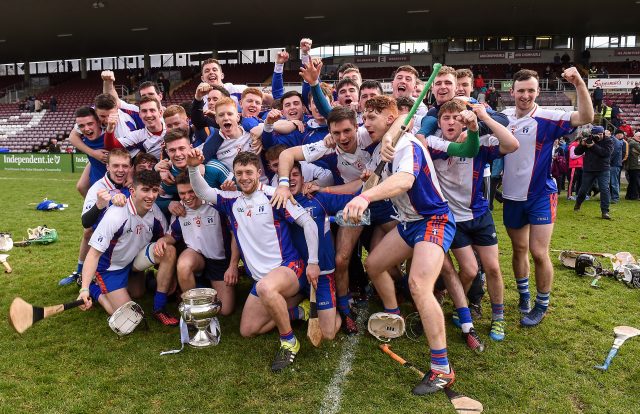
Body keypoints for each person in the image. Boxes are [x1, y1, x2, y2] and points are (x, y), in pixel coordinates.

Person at [341, 96, 479, 395]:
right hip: (409, 222)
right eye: (364, 118)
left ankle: (442, 368)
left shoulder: (407, 145)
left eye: (372, 118)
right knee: (374, 264)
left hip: (433, 220)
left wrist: (366, 196)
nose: (366, 124)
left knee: (418, 284)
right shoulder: (386, 147)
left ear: (390, 118)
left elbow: (404, 180)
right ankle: (394, 315)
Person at [187, 150, 320, 372]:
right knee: (247, 330)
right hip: (262, 280)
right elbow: (203, 190)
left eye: (249, 172)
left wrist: (313, 262)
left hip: (288, 268)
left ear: (258, 172)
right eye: (239, 173)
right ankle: (298, 310)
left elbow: (309, 224)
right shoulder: (230, 200)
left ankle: (289, 342)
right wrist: (192, 168)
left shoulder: (275, 195)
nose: (244, 177)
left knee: (266, 287)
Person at [502, 67, 593, 327]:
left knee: (538, 252)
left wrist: (577, 83)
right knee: (519, 249)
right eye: (521, 90)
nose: (526, 95)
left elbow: (587, 116)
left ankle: (541, 304)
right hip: (512, 196)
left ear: (538, 91)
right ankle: (524, 295)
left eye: (531, 90)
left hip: (541, 194)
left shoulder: (548, 117)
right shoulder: (504, 118)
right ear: (512, 92)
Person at [77, 170, 179, 326]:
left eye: (154, 190)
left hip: (133, 262)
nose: (151, 196)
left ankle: (159, 308)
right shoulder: (115, 215)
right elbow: (94, 254)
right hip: (109, 268)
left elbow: (166, 237)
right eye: (145, 190)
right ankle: (94, 289)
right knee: (129, 317)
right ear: (133, 191)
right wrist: (84, 289)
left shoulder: (155, 213)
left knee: (168, 250)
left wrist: (164, 242)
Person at [155, 172, 239, 316]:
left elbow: (235, 236)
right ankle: (194, 308)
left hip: (219, 261)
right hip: (197, 256)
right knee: (184, 264)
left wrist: (233, 266)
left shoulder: (216, 204)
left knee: (225, 310)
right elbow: (172, 235)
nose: (187, 197)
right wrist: (163, 240)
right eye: (182, 193)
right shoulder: (180, 209)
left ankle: (204, 285)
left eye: (191, 191)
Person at [59, 149, 131, 285]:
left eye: (125, 166)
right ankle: (81, 273)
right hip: (107, 243)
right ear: (108, 166)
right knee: (89, 232)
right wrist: (99, 205)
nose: (120, 170)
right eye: (116, 166)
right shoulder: (98, 188)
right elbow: (86, 222)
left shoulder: (133, 184)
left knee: (136, 291)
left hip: (129, 241)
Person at [573, 126, 614, 219]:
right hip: (589, 169)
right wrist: (582, 145)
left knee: (604, 189)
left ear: (603, 133)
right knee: (583, 190)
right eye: (596, 134)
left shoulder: (608, 141)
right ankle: (578, 204)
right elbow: (576, 152)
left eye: (600, 134)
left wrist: (593, 146)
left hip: (603, 169)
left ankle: (605, 212)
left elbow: (605, 153)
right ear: (592, 134)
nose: (598, 136)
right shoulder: (589, 139)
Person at [609, 130, 625, 203]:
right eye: (621, 134)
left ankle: (615, 198)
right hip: (615, 164)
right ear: (617, 135)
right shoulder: (617, 141)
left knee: (613, 182)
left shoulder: (616, 141)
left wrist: (608, 161)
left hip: (614, 164)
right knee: (612, 181)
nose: (622, 136)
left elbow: (613, 153)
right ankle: (612, 197)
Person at [625, 132, 640, 200]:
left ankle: (629, 196)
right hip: (634, 165)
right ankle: (634, 196)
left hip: (634, 165)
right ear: (636, 136)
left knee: (632, 182)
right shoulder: (634, 143)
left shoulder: (632, 142)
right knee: (635, 182)